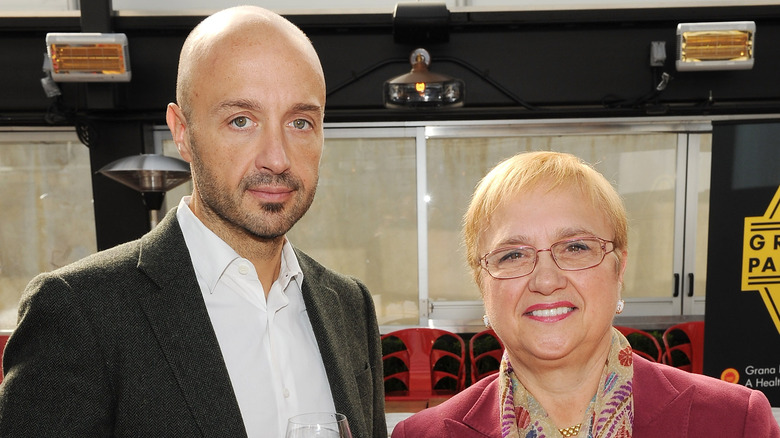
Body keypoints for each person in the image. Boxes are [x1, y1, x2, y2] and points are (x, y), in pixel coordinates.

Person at [0, 6, 385, 438]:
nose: (277, 158)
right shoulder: (79, 312)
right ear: (182, 132)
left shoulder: (350, 305)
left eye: (300, 122)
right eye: (241, 120)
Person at [392, 151, 780, 438]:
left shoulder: (734, 421)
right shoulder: (421, 435)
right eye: (513, 254)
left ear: (619, 267)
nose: (546, 280)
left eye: (576, 247)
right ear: (483, 284)